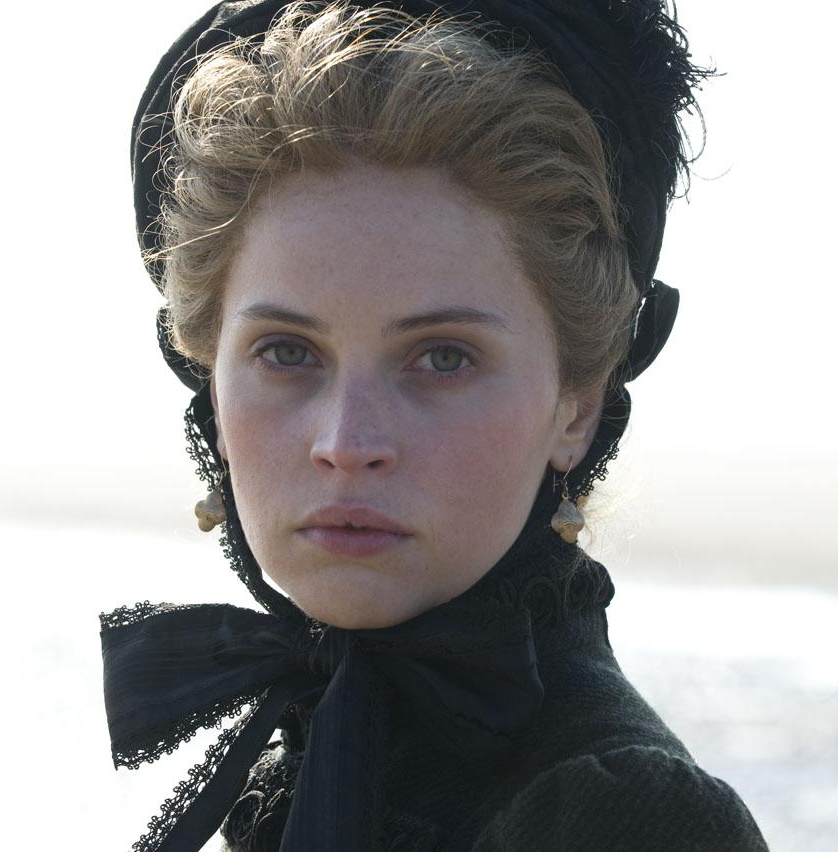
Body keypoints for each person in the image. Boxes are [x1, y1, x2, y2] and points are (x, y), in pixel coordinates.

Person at [99, 1, 771, 850]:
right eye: (286, 353)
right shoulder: (312, 750)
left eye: (443, 358)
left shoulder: (625, 820)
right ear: (211, 383)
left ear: (577, 403)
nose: (347, 444)